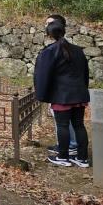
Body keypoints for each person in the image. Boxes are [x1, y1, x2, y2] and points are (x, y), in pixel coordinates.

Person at [34, 20, 90, 168]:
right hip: (79, 93)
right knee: (79, 125)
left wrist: (41, 94)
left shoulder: (49, 51)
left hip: (62, 95)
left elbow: (43, 75)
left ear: (48, 35)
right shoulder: (78, 50)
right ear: (64, 32)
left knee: (63, 125)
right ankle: (82, 158)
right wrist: (84, 88)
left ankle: (63, 156)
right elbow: (85, 73)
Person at [44, 14, 78, 157]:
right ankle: (66, 144)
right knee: (64, 121)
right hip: (64, 91)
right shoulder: (63, 47)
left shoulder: (60, 48)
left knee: (65, 121)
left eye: (49, 23)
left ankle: (70, 145)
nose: (46, 26)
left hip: (63, 92)